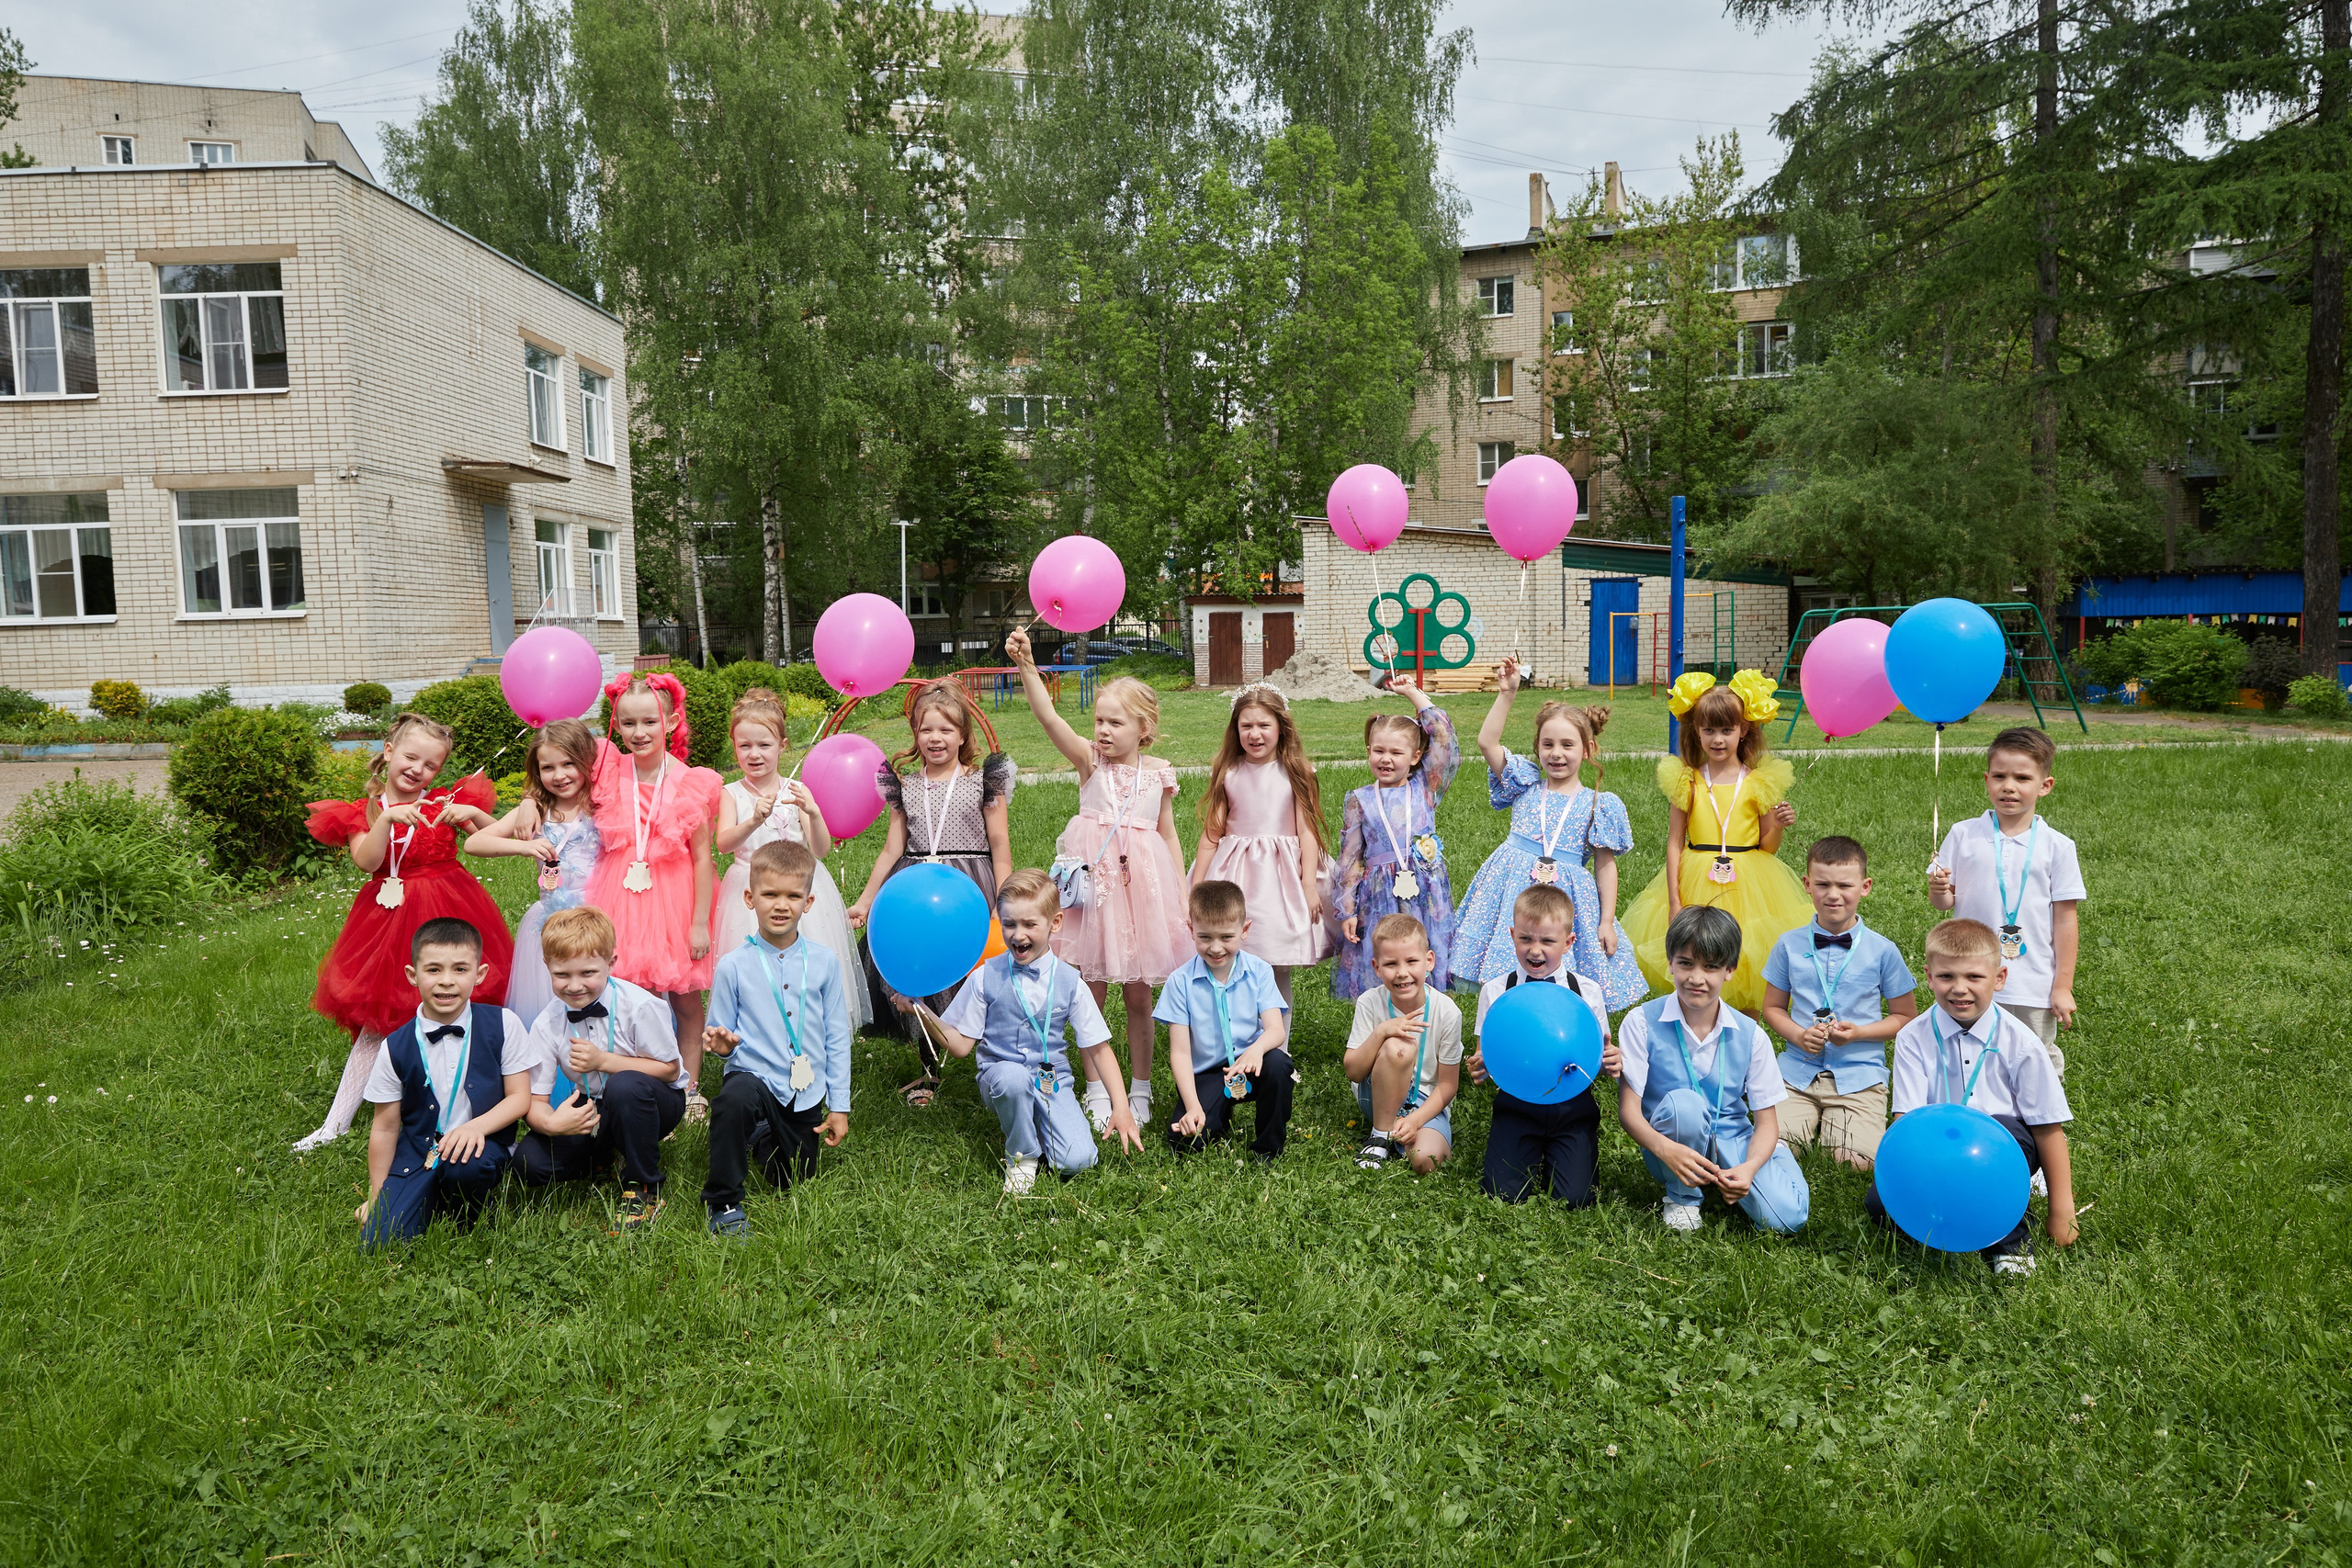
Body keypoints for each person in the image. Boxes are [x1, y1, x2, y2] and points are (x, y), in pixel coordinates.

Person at [1006, 628, 1189, 1136]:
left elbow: (1169, 836)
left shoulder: (1158, 774)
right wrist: (1026, 666)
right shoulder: (1089, 763)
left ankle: (1141, 1087)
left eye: (1115, 722)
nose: (1103, 730)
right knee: (1090, 994)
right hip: (1092, 898)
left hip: (1142, 900)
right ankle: (1093, 1089)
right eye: (1099, 721)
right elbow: (1048, 718)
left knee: (1138, 997)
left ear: (1144, 728)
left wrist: (1180, 895)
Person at [295, 713, 504, 1152]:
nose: (418, 770)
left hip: (449, 909)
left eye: (430, 766)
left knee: (456, 1006)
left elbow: (495, 841)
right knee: (379, 1021)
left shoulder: (444, 802)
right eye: (410, 757)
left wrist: (474, 815)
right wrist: (387, 822)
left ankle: (464, 1107)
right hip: (388, 922)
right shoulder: (365, 811)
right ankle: (336, 1122)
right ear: (389, 751)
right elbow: (367, 862)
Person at [1870, 918, 2077, 1275]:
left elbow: (2048, 1130)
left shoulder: (2023, 1044)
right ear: (1929, 977)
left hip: (2005, 1149)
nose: (1959, 989)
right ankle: (1951, 1213)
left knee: (2002, 1135)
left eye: (1974, 977)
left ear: (1999, 979)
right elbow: (1905, 1122)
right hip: (1937, 1146)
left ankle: (2011, 1245)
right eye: (1947, 977)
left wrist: (2063, 1209)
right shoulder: (1912, 1037)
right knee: (1879, 1205)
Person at [847, 679, 1014, 1107]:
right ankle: (928, 1068)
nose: (935, 738)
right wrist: (867, 899)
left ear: (962, 734)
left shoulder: (983, 782)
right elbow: (892, 847)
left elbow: (1000, 846)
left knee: (975, 975)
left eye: (945, 729)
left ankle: (997, 1062)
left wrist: (1003, 903)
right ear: (915, 734)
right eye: (926, 729)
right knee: (920, 973)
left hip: (970, 885)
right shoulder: (905, 784)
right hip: (916, 886)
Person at [926, 869, 1144, 1195]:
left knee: (1078, 1161)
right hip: (1000, 1077)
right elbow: (959, 1047)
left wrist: (1121, 1107)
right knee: (1013, 1081)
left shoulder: (1071, 982)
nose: (1017, 934)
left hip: (1051, 1081)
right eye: (1010, 924)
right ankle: (1022, 1155)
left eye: (1030, 924)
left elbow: (1099, 1049)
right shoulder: (985, 976)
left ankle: (1043, 1126)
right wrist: (923, 1011)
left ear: (1054, 923)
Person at [1453, 656, 1645, 1010]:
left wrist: (1606, 921)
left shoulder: (1599, 804)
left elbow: (1605, 865)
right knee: (1515, 956)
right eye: (1548, 744)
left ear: (1588, 750)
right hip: (1511, 886)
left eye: (1568, 745)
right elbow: (1486, 743)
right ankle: (1509, 1019)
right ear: (1538, 747)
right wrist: (1507, 694)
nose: (1556, 754)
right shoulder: (1525, 783)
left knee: (1560, 970)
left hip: (1566, 892)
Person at [1620, 671, 1813, 1015]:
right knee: (1696, 954)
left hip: (1749, 881)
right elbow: (1675, 842)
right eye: (1709, 730)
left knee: (1749, 962)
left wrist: (1779, 827)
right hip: (1697, 876)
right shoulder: (1686, 780)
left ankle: (1745, 1037)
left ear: (1744, 731)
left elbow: (1767, 846)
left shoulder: (1759, 782)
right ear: (1696, 731)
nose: (1718, 739)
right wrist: (1675, 900)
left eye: (1727, 730)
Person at [1616, 906, 1810, 1235]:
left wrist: (1749, 1167)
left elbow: (1766, 1122)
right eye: (1686, 964)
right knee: (1685, 1106)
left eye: (1711, 967)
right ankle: (1682, 1197)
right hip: (1669, 1138)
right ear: (1670, 962)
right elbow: (1629, 1113)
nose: (1696, 978)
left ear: (1729, 970)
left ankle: (1769, 1160)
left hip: (1734, 1138)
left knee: (1787, 1219)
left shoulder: (1751, 1035)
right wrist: (1666, 1149)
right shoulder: (1640, 1022)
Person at [582, 673, 724, 1122]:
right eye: (628, 723)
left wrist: (699, 922)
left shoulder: (691, 782)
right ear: (616, 726)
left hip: (674, 898)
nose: (639, 732)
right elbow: (552, 787)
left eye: (649, 721)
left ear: (672, 721)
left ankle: (690, 1086)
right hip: (619, 893)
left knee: (683, 996)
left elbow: (703, 858)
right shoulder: (607, 771)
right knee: (629, 993)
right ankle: (637, 1082)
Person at [699, 840, 854, 1239]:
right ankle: (723, 1200)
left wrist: (839, 1106)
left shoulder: (825, 963)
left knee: (794, 1177)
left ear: (809, 901)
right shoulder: (732, 966)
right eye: (770, 894)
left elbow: (837, 1037)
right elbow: (719, 1033)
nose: (780, 905)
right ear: (750, 898)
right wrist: (722, 1045)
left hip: (804, 1092)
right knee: (735, 1099)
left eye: (792, 895)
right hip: (753, 1074)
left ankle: (764, 1134)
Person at [355, 918, 533, 1248]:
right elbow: (385, 1127)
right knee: (379, 1241)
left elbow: (520, 1098)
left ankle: (466, 1209)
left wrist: (474, 1128)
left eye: (460, 970)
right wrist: (377, 1195)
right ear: (413, 975)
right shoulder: (394, 1046)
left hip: (482, 1146)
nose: (446, 982)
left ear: (479, 975)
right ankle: (418, 1198)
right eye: (433, 970)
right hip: (419, 1155)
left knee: (464, 1167)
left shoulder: (504, 1024)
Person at [512, 906, 689, 1232]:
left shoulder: (641, 1006)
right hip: (593, 1105)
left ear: (611, 963)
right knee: (528, 1163)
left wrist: (604, 1061)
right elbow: (534, 1102)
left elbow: (669, 1070)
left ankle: (644, 1187)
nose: (575, 985)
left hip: (654, 1101)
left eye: (588, 973)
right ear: (546, 966)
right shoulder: (546, 1024)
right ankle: (603, 1159)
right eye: (562, 975)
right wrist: (550, 1123)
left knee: (625, 1088)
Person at [711, 687, 868, 1032]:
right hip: (752, 888)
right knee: (756, 968)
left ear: (782, 746)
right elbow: (723, 844)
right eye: (744, 746)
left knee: (804, 966)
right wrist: (752, 820)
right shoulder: (731, 793)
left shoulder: (797, 791)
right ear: (734, 746)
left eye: (764, 745)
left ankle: (808, 1028)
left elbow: (821, 849)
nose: (754, 754)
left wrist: (812, 812)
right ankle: (759, 1028)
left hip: (798, 885)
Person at [1758, 836, 1918, 1169]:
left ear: (1865, 886)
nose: (1833, 895)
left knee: (1854, 1162)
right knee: (1772, 1151)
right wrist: (1799, 1035)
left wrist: (1859, 1033)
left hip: (1859, 1077)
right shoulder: (1787, 945)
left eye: (1845, 885)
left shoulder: (1883, 951)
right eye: (1823, 884)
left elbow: (1904, 1016)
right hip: (1796, 1075)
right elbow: (1771, 1008)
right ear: (1807, 884)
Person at [1928, 727, 2084, 1070]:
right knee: (1969, 1053)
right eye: (1999, 776)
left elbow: (2065, 919)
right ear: (1986, 780)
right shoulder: (1964, 833)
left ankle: (2040, 1121)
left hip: (2033, 981)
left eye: (2022, 777)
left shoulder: (2058, 846)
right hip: (1969, 975)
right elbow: (1943, 904)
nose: (2008, 786)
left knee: (2033, 1057)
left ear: (2045, 786)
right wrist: (1939, 891)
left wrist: (2062, 986)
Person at [1466, 883, 1623, 1205]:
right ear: (1512, 935)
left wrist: (1610, 1061)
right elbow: (1488, 1053)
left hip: (1572, 1108)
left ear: (1568, 943)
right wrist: (1480, 1066)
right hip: (1517, 1105)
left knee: (1576, 1198)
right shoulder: (1496, 992)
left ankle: (1567, 1154)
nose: (1534, 950)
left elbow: (1597, 1056)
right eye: (1525, 938)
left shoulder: (1587, 992)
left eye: (1547, 941)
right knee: (1502, 1194)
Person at [1190, 682, 1331, 1004]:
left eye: (1264, 725)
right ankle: (1234, 1036)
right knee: (1229, 954)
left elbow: (1307, 831)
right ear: (1235, 729)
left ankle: (1277, 1046)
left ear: (1281, 728)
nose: (1255, 734)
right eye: (1246, 726)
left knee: (1274, 961)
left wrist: (1308, 883)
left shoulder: (1296, 771)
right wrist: (1198, 885)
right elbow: (1213, 833)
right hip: (1234, 872)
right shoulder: (1228, 771)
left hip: (1280, 878)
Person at [1331, 676, 1462, 1000]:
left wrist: (1413, 694)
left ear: (1416, 757)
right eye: (1378, 751)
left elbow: (1443, 739)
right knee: (1389, 958)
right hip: (1379, 895)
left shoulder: (1426, 788)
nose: (1386, 759)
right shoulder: (1360, 799)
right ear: (1368, 752)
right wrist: (1347, 910)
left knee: (1422, 956)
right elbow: (1349, 858)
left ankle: (1427, 1024)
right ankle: (1386, 1027)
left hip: (1424, 891)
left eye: (1396, 752)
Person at [464, 718, 601, 1025]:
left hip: (601, 916)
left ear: (586, 760)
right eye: (547, 768)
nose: (559, 775)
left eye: (568, 764)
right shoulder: (540, 810)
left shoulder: (603, 805)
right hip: (550, 920)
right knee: (550, 999)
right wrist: (524, 846)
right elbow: (474, 843)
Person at [1155, 880, 1293, 1160]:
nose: (1216, 948)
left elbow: (1276, 1030)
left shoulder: (1260, 971)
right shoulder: (1180, 982)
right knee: (1185, 1142)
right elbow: (1180, 1052)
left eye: (1226, 937)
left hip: (1249, 1062)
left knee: (1279, 1065)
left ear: (1244, 930)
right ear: (1191, 930)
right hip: (1208, 1073)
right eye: (1205, 937)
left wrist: (1256, 1049)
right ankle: (1216, 1113)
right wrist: (1193, 1106)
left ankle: (1267, 1148)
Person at [1344, 912, 1464, 1175]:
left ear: (1429, 961)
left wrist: (1416, 1120)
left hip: (1424, 1102)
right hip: (1376, 1093)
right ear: (1376, 967)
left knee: (1426, 1160)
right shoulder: (1369, 1002)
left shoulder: (1447, 1012)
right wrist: (1381, 1033)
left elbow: (1447, 1084)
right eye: (1390, 964)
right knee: (1398, 1047)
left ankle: (1401, 1130)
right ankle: (1380, 1135)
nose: (1402, 973)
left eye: (1412, 961)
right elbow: (1353, 1071)